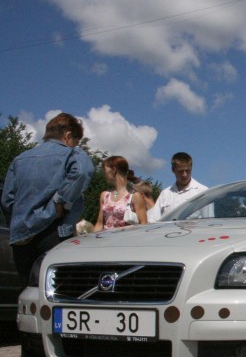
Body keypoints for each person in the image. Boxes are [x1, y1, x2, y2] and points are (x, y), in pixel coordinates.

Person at [1, 112, 95, 286]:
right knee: (57, 291)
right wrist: (60, 201)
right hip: (55, 232)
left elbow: (7, 200)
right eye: (76, 140)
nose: (76, 144)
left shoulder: (19, 159)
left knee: (28, 291)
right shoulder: (72, 154)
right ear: (68, 136)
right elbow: (83, 171)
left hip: (21, 238)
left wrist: (19, 223)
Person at [149, 152, 210, 222]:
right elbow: (153, 220)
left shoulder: (203, 191)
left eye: (187, 171)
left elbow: (208, 222)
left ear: (191, 168)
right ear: (173, 170)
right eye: (181, 171)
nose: (184, 174)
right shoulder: (165, 194)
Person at [94, 156, 147, 231]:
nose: (104, 174)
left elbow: (143, 224)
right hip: (105, 240)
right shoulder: (105, 195)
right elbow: (99, 224)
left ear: (113, 170)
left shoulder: (135, 196)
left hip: (125, 240)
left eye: (105, 170)